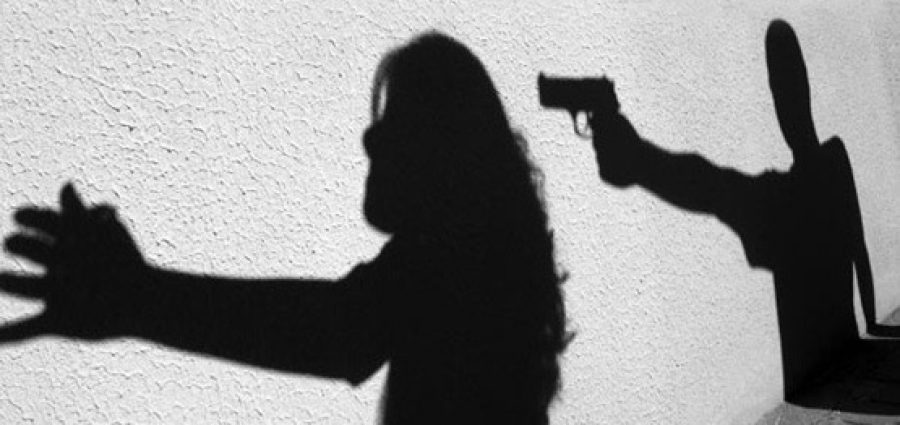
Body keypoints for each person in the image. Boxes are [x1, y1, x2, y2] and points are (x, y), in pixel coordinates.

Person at [0, 32, 570, 424]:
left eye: (397, 120)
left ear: (448, 153)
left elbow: (337, 329)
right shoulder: (478, 270)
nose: (370, 137)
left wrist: (136, 296)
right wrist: (136, 297)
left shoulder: (460, 262)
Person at [590, 20, 895, 402]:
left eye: (789, 84)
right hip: (830, 375)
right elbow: (706, 181)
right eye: (779, 89)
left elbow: (707, 183)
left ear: (805, 86)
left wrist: (875, 325)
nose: (786, 102)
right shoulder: (806, 174)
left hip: (833, 374)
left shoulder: (812, 171)